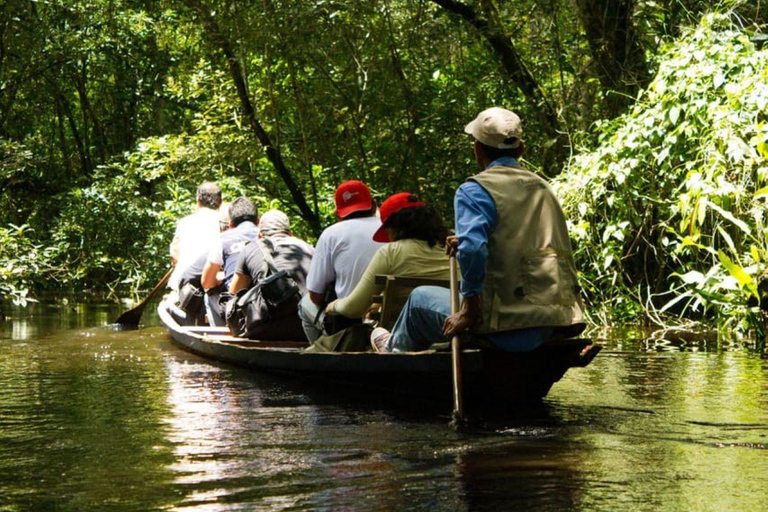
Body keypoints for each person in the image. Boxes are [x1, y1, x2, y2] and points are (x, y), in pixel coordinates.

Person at [373, 107, 585, 353]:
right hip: (555, 320)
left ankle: (392, 351)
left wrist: (469, 310)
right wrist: (463, 241)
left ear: (477, 150)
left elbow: (474, 250)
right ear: (520, 149)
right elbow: (514, 241)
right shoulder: (544, 188)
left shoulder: (474, 190)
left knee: (419, 299)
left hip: (504, 324)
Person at [325, 192, 450, 324]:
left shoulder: (391, 253)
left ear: (393, 227)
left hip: (403, 335)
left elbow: (354, 308)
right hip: (452, 329)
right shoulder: (452, 249)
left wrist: (334, 305)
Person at [297, 180, 383, 341]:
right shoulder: (391, 230)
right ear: (373, 205)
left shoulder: (331, 234)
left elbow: (315, 296)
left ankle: (323, 351)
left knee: (304, 304)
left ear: (338, 214)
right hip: (390, 317)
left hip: (349, 321)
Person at [229, 209, 314, 339]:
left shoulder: (250, 248)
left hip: (267, 329)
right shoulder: (310, 249)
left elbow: (235, 292)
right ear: (290, 233)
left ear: (259, 235)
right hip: (308, 327)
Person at [200, 197, 260, 326]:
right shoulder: (266, 237)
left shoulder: (223, 239)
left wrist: (220, 279)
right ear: (258, 221)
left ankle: (223, 332)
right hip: (265, 301)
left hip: (236, 305)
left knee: (209, 295)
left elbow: (206, 282)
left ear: (231, 225)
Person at [169, 181, 222, 291]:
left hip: (182, 284)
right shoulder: (225, 222)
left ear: (197, 202)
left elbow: (174, 255)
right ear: (221, 202)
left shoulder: (184, 222)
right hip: (209, 284)